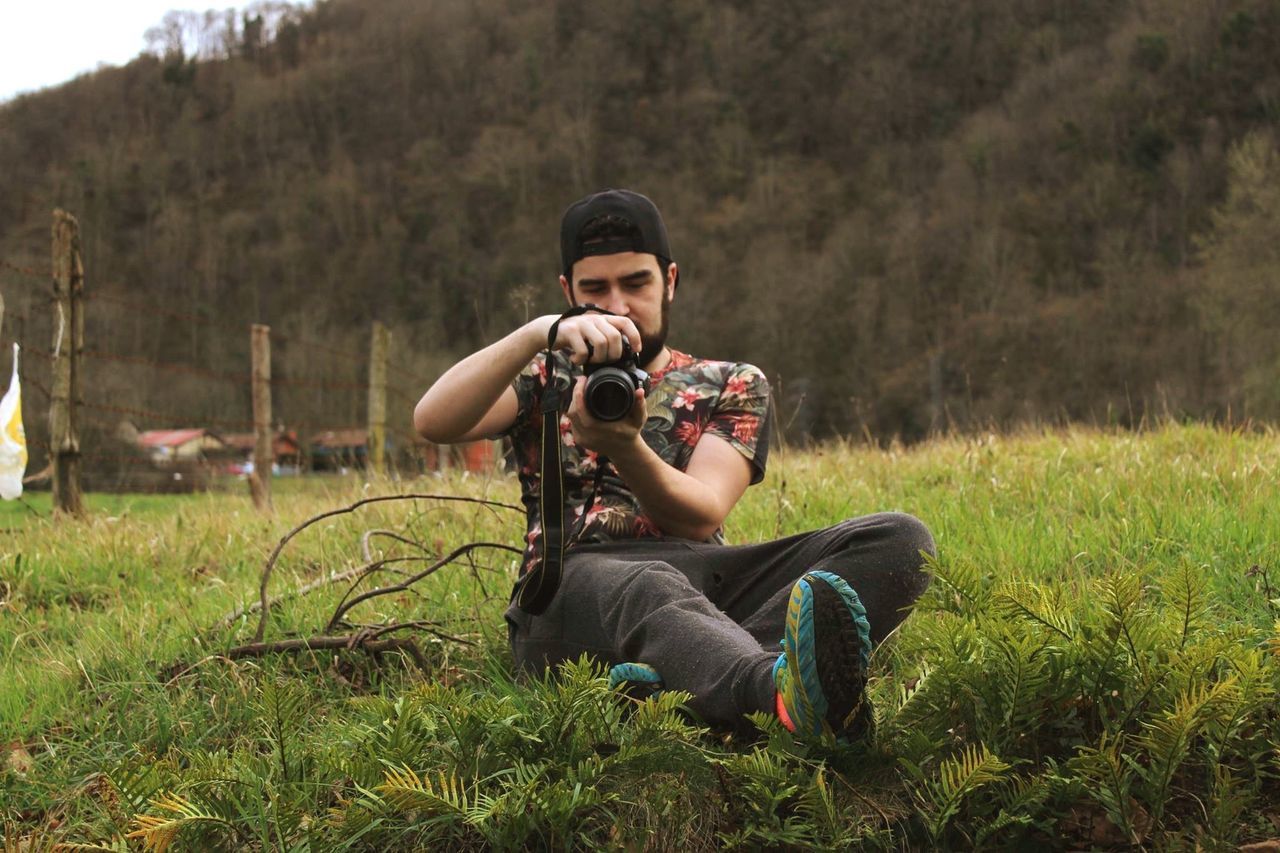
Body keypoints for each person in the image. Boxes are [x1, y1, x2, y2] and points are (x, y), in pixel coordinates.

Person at [414, 189, 934, 739]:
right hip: (572, 586)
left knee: (898, 538)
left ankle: (691, 680)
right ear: (568, 292)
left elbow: (701, 515)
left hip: (704, 575)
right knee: (648, 584)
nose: (616, 305)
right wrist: (535, 334)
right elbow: (433, 420)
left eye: (636, 283)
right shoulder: (542, 376)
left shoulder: (730, 382)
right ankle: (768, 694)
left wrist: (623, 446)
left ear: (670, 281)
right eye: (594, 289)